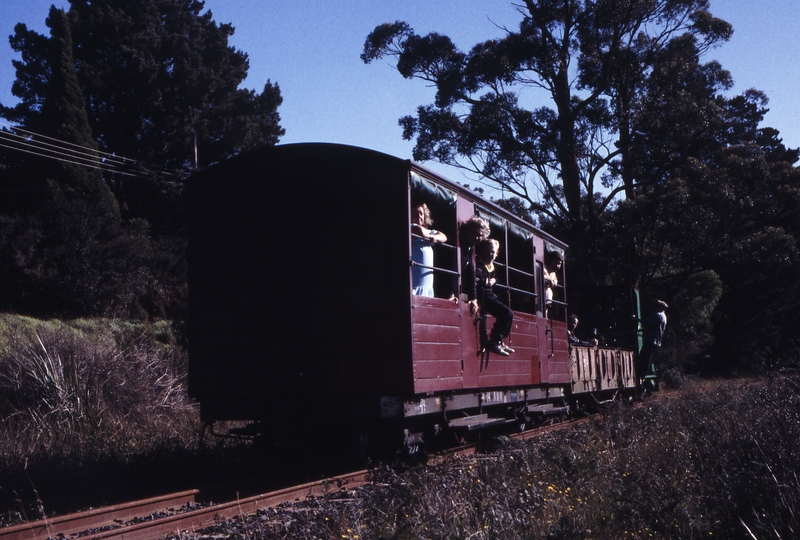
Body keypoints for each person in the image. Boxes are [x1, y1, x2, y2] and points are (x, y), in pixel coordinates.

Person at [475, 239, 514, 356]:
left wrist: (494, 280)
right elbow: (480, 280)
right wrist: (488, 281)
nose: (490, 254)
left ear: (497, 254)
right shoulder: (479, 265)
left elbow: (493, 280)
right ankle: (494, 341)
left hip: (489, 294)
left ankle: (499, 340)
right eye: (488, 252)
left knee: (508, 313)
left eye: (493, 252)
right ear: (482, 252)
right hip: (482, 295)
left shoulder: (492, 266)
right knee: (506, 313)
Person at [410, 202, 447, 297]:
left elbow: (443, 237)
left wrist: (433, 236)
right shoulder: (411, 228)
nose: (419, 216)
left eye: (421, 213)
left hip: (428, 287)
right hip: (415, 285)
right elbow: (420, 231)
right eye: (415, 214)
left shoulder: (429, 232)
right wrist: (432, 236)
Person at [458, 216, 491, 310]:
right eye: (473, 233)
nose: (476, 237)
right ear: (467, 231)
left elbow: (471, 271)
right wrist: (451, 293)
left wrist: (474, 299)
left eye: (480, 235)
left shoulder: (471, 248)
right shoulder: (460, 243)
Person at [636, 300, 668, 379]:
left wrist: (635, 319)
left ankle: (641, 375)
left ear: (660, 307)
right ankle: (642, 375)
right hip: (656, 341)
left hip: (651, 339)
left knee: (644, 358)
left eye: (657, 306)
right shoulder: (664, 316)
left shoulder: (658, 315)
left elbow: (647, 322)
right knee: (647, 358)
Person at [543, 251, 563, 319]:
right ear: (549, 261)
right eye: (555, 262)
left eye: (559, 264)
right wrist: (549, 280)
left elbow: (555, 280)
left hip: (546, 301)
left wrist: (554, 281)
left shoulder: (553, 273)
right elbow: (543, 275)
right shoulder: (543, 267)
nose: (557, 266)